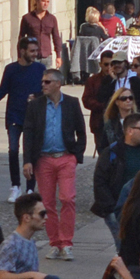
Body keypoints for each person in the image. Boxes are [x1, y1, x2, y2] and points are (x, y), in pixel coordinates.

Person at [21, 69, 87, 260]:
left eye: (48, 82)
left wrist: (76, 155)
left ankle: (67, 243)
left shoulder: (72, 103)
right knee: (47, 203)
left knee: (67, 198)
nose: (43, 85)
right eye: (43, 82)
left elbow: (81, 132)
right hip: (44, 159)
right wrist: (27, 161)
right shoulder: (35, 105)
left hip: (66, 157)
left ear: (58, 84)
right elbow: (29, 133)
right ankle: (55, 243)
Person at [0, 39, 48, 197]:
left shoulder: (40, 68)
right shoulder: (11, 69)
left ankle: (30, 187)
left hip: (33, 116)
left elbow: (46, 90)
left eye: (36, 50)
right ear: (22, 51)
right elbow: (3, 89)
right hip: (14, 114)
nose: (35, 54)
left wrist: (36, 96)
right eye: (32, 51)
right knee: (13, 150)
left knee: (31, 152)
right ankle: (15, 185)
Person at [92, 116, 140, 249]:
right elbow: (100, 181)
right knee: (124, 249)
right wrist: (111, 209)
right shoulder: (112, 152)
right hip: (121, 210)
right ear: (130, 131)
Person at [18, 0, 64, 75]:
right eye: (43, 1)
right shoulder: (27, 18)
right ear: (37, 1)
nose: (45, 4)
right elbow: (21, 38)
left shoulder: (52, 19)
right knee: (32, 79)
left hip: (47, 56)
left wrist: (58, 56)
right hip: (32, 56)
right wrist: (20, 56)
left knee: (46, 80)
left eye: (47, 2)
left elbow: (56, 37)